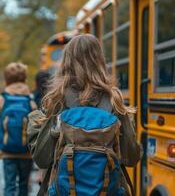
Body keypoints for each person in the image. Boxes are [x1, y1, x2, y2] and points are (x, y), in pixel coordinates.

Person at [27, 34, 141, 196]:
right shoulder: (114, 100)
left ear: (66, 62)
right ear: (100, 61)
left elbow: (42, 158)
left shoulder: (58, 99)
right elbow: (131, 157)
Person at [0, 62, 36, 196]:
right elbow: (37, 128)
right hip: (27, 152)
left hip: (7, 151)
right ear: (25, 78)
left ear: (7, 79)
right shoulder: (30, 100)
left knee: (9, 187)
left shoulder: (1, 100)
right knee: (24, 186)